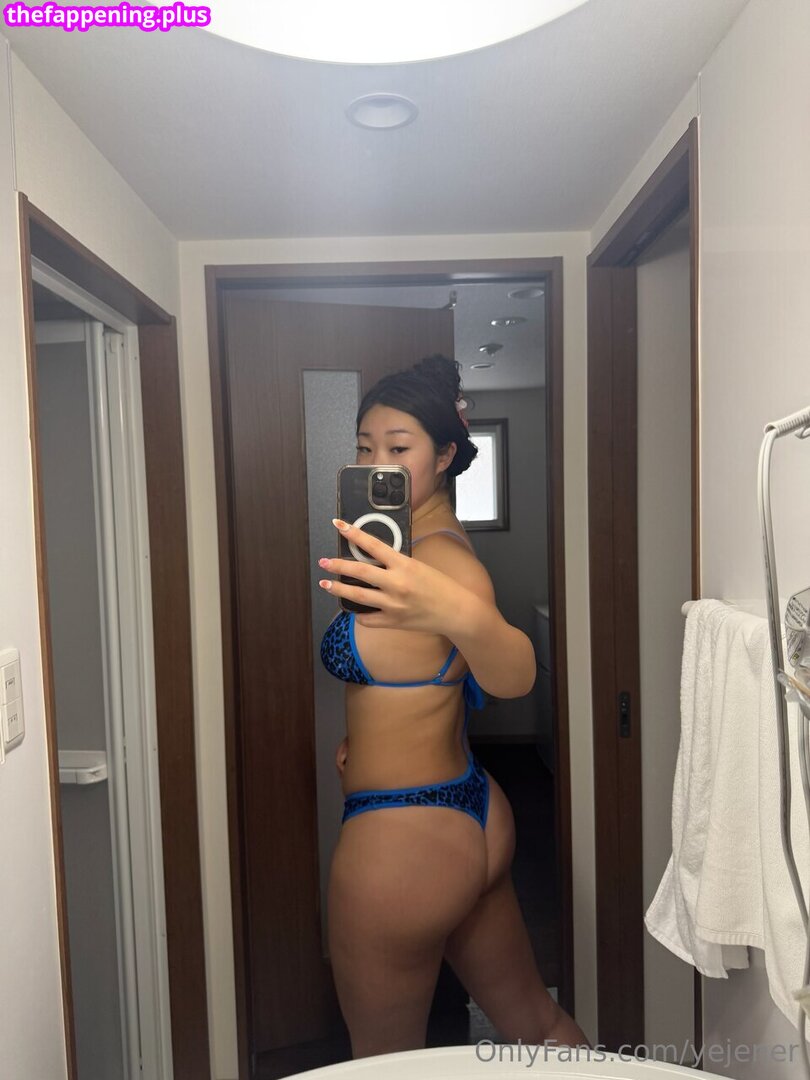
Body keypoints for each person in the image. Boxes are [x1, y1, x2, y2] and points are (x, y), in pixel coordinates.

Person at [317, 354, 588, 1059]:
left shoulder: (442, 564)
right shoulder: (415, 540)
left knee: (384, 1066)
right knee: (537, 1025)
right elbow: (413, 681)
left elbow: (515, 674)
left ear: (443, 455)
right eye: (365, 449)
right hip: (465, 810)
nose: (379, 463)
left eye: (398, 448)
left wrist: (450, 610)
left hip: (402, 840)